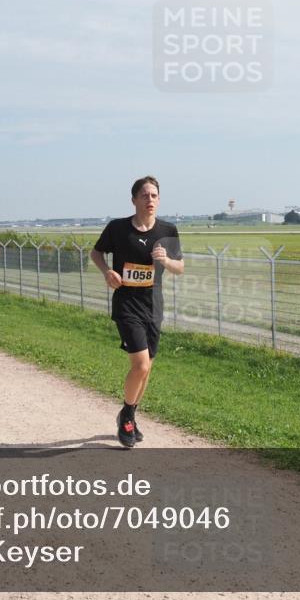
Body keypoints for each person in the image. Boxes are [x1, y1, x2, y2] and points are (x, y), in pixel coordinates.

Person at [90, 176, 183, 448]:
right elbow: (96, 253)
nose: (150, 200)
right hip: (126, 304)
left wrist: (166, 260)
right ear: (134, 200)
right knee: (140, 365)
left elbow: (180, 267)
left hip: (153, 306)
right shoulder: (118, 228)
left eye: (154, 195)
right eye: (144, 195)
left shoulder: (168, 230)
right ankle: (128, 416)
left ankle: (129, 413)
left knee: (147, 369)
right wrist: (107, 272)